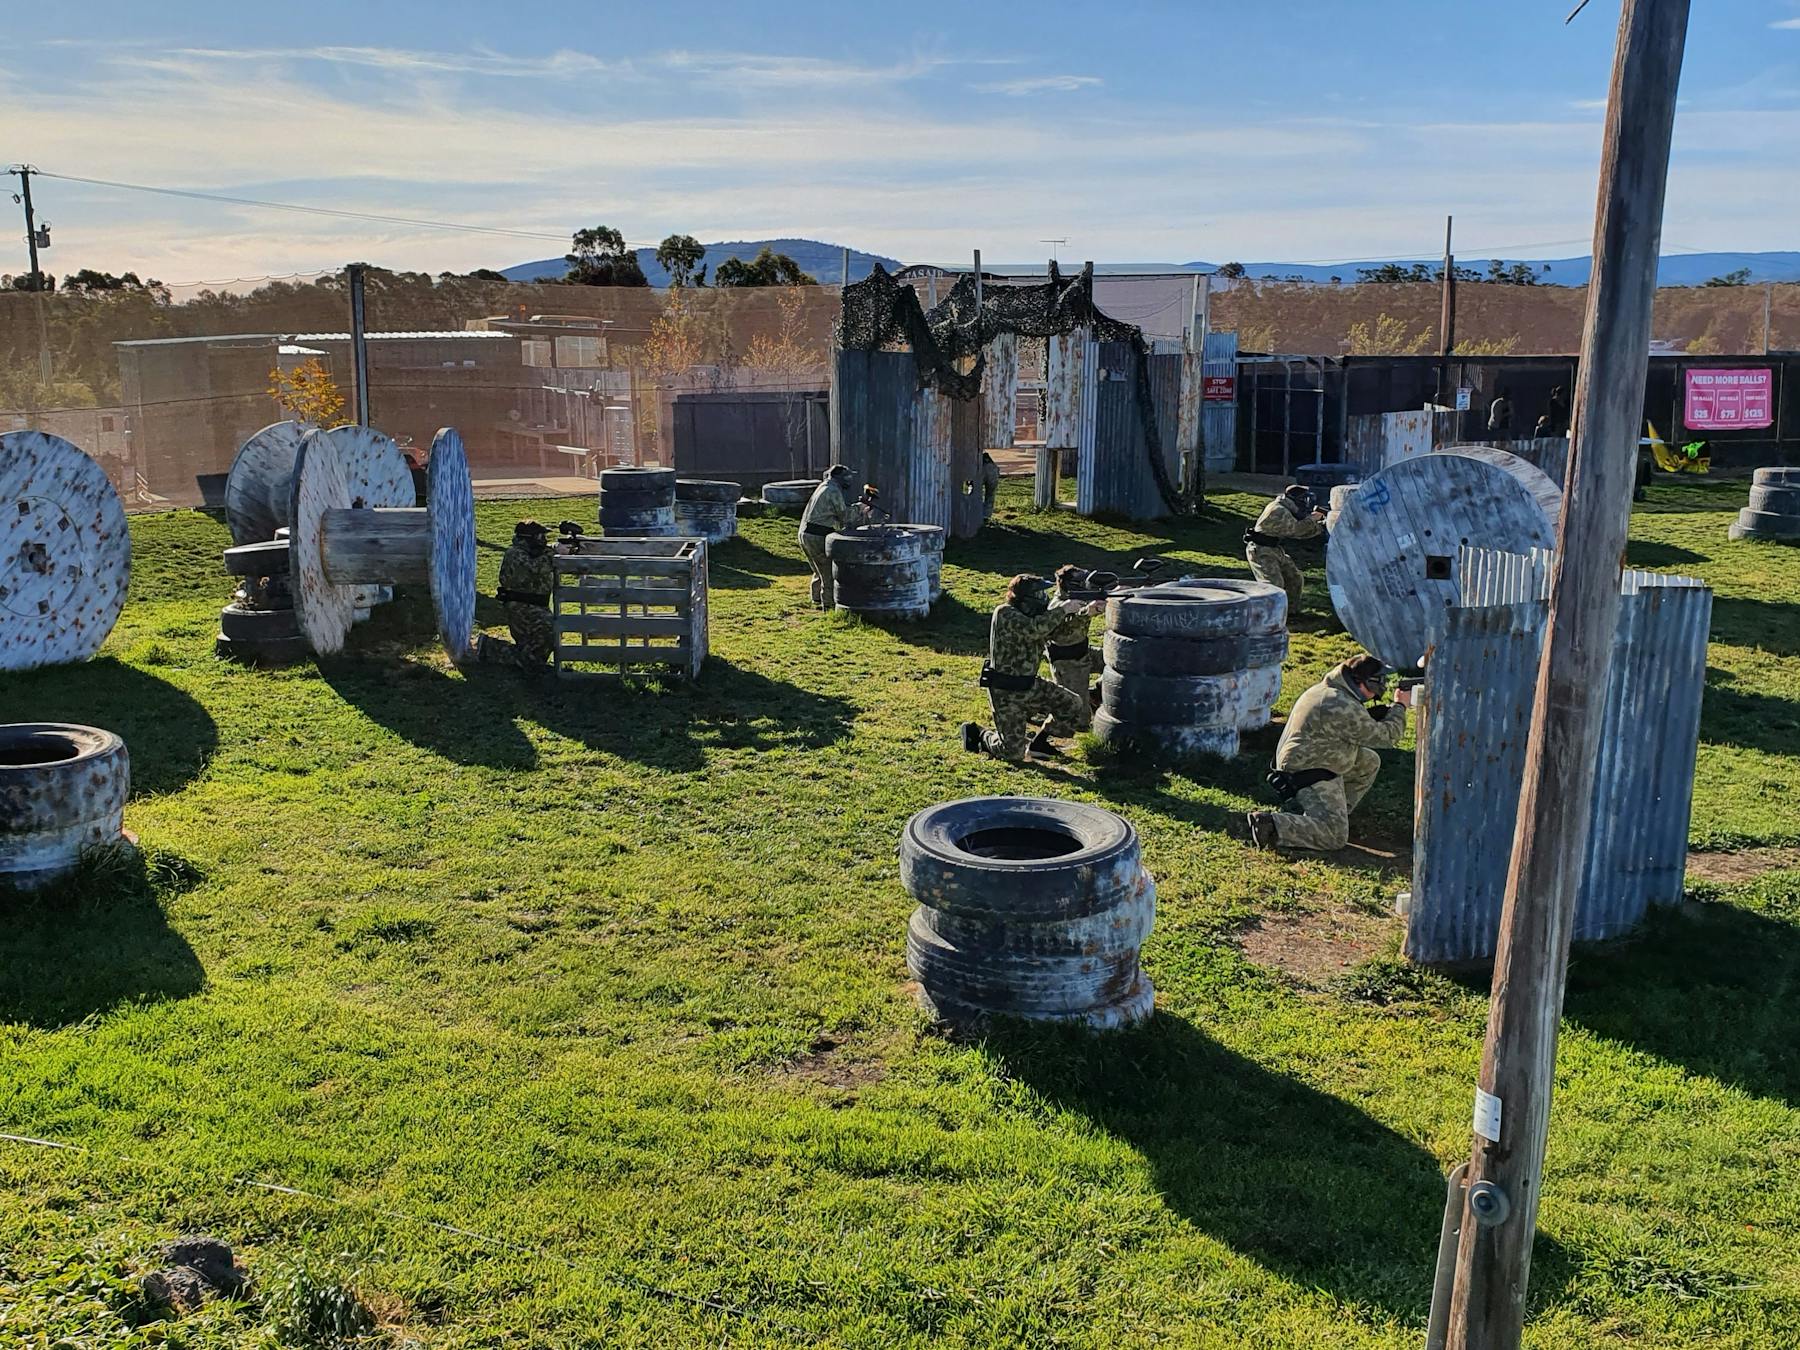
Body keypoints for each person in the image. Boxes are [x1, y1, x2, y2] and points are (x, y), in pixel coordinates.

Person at [1246, 653, 1412, 852]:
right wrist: (1400, 706)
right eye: (1378, 684)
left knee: (1368, 762)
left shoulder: (1331, 691)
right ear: (1361, 682)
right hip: (1309, 771)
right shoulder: (1340, 703)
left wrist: (1372, 715)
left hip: (1313, 759)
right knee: (1334, 837)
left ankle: (1333, 815)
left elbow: (1345, 723)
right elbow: (1386, 737)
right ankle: (1272, 824)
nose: (1380, 690)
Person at [961, 574, 1105, 762]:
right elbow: (1034, 629)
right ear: (1027, 597)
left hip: (1030, 686)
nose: (1045, 598)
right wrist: (1063, 609)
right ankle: (981, 734)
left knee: (1073, 704)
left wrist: (1086, 612)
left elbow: (1058, 633)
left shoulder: (1036, 616)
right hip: (1006, 691)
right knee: (1012, 753)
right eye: (1040, 594)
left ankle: (1041, 742)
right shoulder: (1005, 613)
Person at [1039, 564, 1104, 751]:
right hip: (1068, 663)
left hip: (1084, 652)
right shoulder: (1058, 606)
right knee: (1078, 718)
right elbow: (1056, 633)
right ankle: (1040, 741)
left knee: (1118, 661)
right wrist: (1087, 612)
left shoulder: (1080, 597)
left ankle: (1095, 694)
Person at [475, 519, 556, 669]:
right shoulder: (515, 554)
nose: (544, 541)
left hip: (533, 605)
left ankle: (529, 660)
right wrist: (556, 553)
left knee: (537, 643)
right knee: (547, 633)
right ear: (529, 538)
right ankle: (490, 648)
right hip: (521, 607)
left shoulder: (531, 552)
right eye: (540, 537)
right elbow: (537, 568)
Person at [1244, 484, 1325, 609]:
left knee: (1295, 579)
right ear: (1295, 499)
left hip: (1274, 549)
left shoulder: (1285, 507)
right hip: (1261, 552)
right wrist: (1313, 520)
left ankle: (1289, 613)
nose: (1305, 503)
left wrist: (1319, 525)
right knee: (1273, 587)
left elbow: (1300, 531)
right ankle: (1268, 616)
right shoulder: (1279, 510)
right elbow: (1297, 531)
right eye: (1304, 500)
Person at [798, 464, 856, 610]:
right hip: (816, 536)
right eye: (848, 477)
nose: (850, 480)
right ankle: (828, 608)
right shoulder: (833, 490)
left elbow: (830, 514)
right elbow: (844, 517)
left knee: (819, 570)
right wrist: (860, 509)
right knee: (828, 573)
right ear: (839, 478)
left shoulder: (824, 486)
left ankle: (816, 599)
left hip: (805, 533)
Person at [980, 451, 1002, 520]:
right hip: (992, 469)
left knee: (974, 493)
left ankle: (975, 513)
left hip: (980, 469)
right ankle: (986, 515)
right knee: (990, 495)